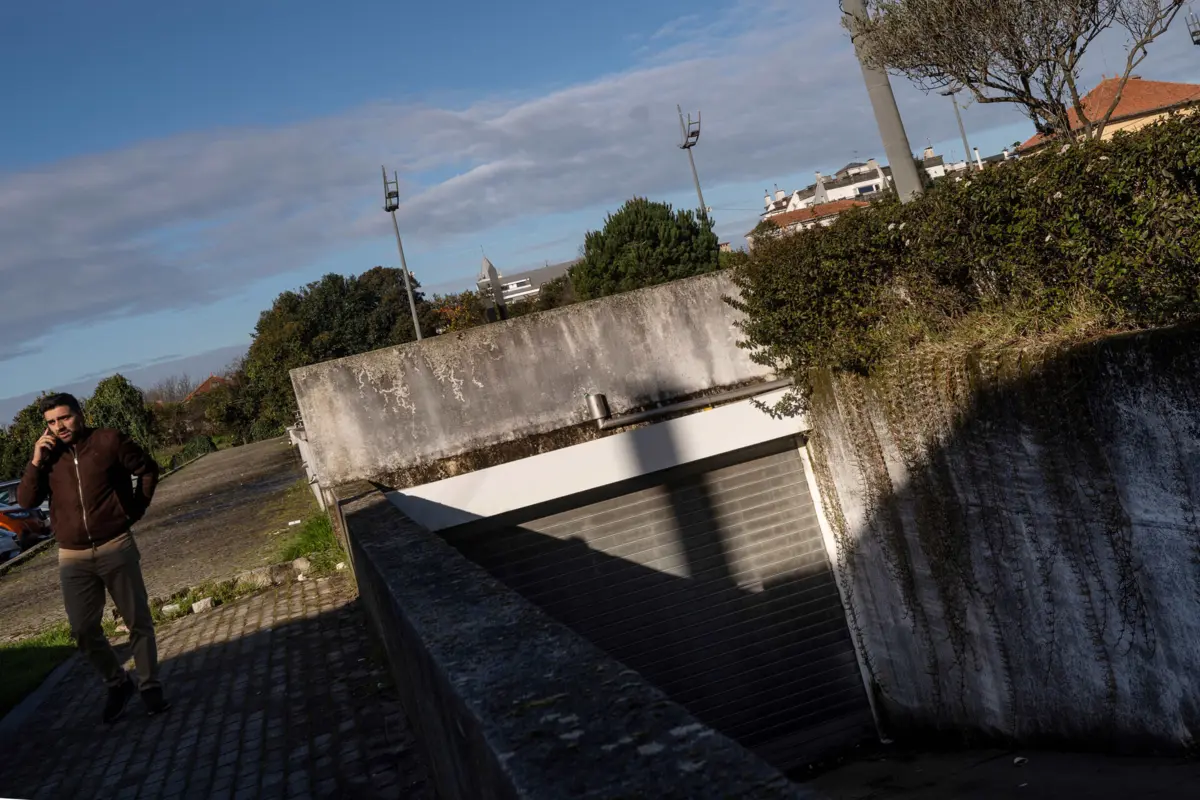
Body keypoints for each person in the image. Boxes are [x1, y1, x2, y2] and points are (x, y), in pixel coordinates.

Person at [17, 393, 167, 723]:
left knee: (137, 621)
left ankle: (149, 686)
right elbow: (26, 498)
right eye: (51, 422)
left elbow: (147, 470)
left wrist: (134, 511)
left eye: (65, 418)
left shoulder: (108, 440)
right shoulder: (49, 456)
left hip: (115, 544)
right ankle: (117, 682)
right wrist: (36, 460)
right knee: (82, 629)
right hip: (72, 555)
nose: (59, 427)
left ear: (80, 414)